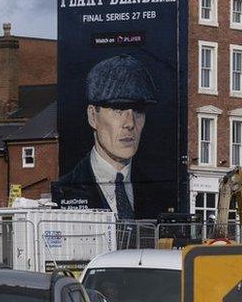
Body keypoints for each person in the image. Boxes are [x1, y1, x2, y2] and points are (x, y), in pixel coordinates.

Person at [53, 54, 161, 219]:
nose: (130, 123)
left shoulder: (158, 192)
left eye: (138, 110)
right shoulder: (65, 189)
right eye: (118, 110)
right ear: (92, 116)